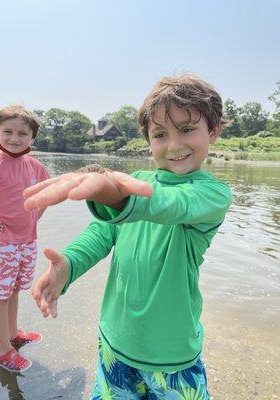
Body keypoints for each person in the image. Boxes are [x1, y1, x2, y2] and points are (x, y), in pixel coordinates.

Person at [25, 74, 232, 398]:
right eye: (160, 134)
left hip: (173, 358)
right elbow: (102, 231)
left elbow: (172, 205)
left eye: (187, 129)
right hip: (114, 343)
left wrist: (115, 193)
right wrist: (70, 264)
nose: (174, 145)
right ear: (148, 139)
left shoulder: (212, 194)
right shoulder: (135, 178)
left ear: (213, 131)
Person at [0, 105, 49, 373]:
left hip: (27, 241)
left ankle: (12, 334)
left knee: (16, 290)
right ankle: (3, 350)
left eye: (23, 133)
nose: (14, 138)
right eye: (7, 131)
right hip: (0, 244)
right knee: (1, 296)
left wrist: (35, 216)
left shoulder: (35, 165)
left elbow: (47, 194)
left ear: (32, 137)